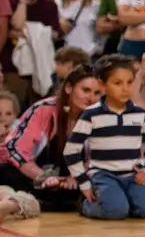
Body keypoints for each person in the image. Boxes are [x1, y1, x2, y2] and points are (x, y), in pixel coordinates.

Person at [63, 54, 145, 221]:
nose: (125, 88)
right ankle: (86, 206)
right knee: (115, 212)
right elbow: (70, 151)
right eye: (118, 83)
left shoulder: (140, 113)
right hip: (103, 175)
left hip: (132, 175)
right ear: (102, 85)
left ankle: (122, 202)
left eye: (129, 82)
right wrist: (85, 185)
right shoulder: (91, 114)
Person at [0, 65, 101, 214]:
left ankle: (18, 203)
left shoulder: (100, 116)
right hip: (32, 174)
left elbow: (100, 158)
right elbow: (14, 150)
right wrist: (44, 176)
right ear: (68, 88)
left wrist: (77, 178)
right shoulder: (43, 109)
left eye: (97, 93)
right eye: (85, 90)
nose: (91, 98)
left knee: (96, 190)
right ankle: (16, 201)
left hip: (70, 182)